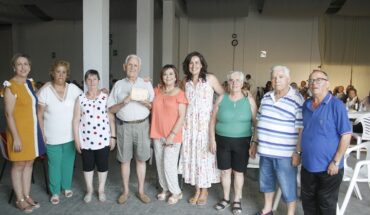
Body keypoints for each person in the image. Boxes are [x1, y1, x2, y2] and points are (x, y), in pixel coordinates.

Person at [250, 65, 304, 215]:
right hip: (265, 150)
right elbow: (259, 122)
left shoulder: (297, 99)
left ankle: (290, 213)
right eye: (274, 77)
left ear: (288, 79)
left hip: (285, 153)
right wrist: (254, 143)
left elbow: (301, 129)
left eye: (280, 77)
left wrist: (297, 152)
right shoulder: (267, 97)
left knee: (288, 186)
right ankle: (267, 210)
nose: (276, 80)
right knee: (266, 183)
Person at [300, 70, 352, 214]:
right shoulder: (306, 105)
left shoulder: (336, 105)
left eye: (318, 79)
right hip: (308, 165)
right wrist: (298, 153)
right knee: (308, 203)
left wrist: (336, 161)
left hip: (329, 168)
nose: (314, 83)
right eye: (311, 80)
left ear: (327, 84)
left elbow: (346, 135)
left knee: (326, 205)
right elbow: (303, 130)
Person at [108, 54, 154, 204]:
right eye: (130, 65)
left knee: (141, 160)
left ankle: (141, 191)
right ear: (124, 67)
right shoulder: (118, 85)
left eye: (135, 65)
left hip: (142, 126)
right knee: (125, 160)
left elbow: (153, 106)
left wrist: (145, 103)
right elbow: (111, 109)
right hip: (124, 127)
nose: (132, 68)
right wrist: (124, 102)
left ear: (139, 68)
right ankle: (126, 191)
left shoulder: (146, 84)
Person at [179, 51, 224, 206]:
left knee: (204, 157)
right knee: (193, 157)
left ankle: (204, 190)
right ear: (187, 65)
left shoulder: (210, 79)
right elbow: (175, 97)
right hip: (189, 126)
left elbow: (223, 95)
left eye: (197, 62)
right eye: (191, 63)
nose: (194, 65)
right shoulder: (184, 81)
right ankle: (197, 189)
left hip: (205, 125)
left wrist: (215, 110)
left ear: (202, 64)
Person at [209, 71, 257, 214]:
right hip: (222, 140)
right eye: (231, 80)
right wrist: (212, 139)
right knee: (224, 171)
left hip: (242, 142)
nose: (234, 83)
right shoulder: (221, 98)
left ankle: (237, 199)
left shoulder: (249, 99)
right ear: (228, 83)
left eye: (237, 80)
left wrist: (254, 143)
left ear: (242, 83)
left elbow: (256, 123)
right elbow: (212, 121)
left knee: (238, 172)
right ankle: (225, 198)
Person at [3, 53, 46, 213]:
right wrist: (15, 138)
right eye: (19, 64)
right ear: (14, 67)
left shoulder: (30, 83)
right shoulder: (10, 86)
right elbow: (8, 114)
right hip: (18, 133)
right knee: (18, 164)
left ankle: (27, 195)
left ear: (29, 66)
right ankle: (19, 199)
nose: (23, 67)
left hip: (32, 132)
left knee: (29, 163)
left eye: (26, 64)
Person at [37, 60, 82, 204]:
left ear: (67, 74)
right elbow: (39, 114)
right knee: (54, 164)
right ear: (52, 73)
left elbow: (86, 99)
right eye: (58, 71)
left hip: (70, 135)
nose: (61, 75)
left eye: (64, 72)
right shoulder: (45, 91)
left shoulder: (74, 89)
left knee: (68, 163)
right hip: (52, 136)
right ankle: (55, 191)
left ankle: (66, 186)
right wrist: (42, 133)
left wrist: (102, 92)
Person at [72, 69, 116, 203]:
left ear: (98, 80)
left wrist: (113, 136)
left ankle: (101, 190)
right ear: (85, 82)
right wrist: (76, 140)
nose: (92, 82)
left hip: (103, 139)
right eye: (89, 79)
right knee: (87, 166)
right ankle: (90, 190)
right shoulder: (80, 99)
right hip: (86, 140)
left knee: (103, 166)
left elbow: (110, 117)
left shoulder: (105, 97)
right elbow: (75, 120)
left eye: (94, 79)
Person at [150, 65, 188, 205]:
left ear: (175, 76)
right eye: (165, 74)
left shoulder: (180, 93)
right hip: (157, 132)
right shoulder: (156, 91)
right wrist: (145, 82)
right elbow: (143, 94)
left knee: (169, 164)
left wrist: (172, 134)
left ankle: (176, 192)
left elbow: (182, 116)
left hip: (172, 135)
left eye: (171, 74)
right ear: (162, 77)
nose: (168, 77)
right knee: (159, 163)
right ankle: (165, 189)